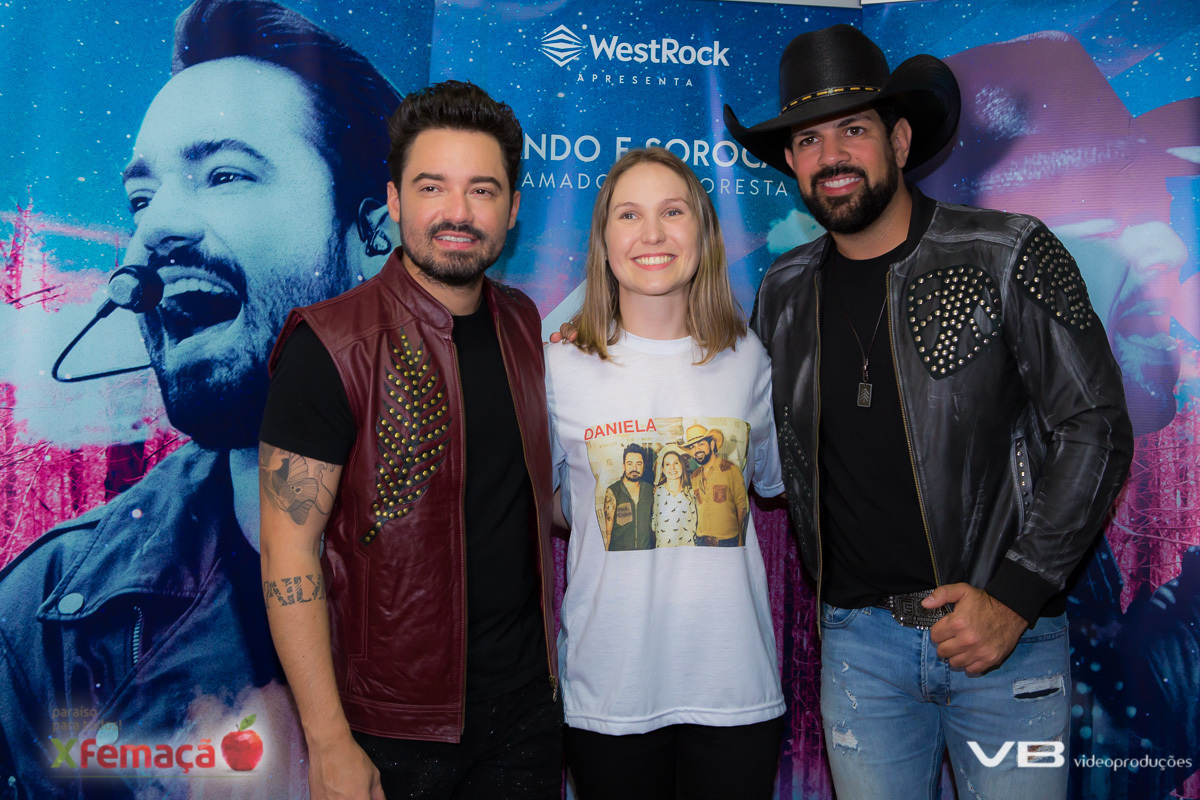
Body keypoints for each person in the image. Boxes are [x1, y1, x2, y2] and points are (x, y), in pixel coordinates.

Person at [0, 1, 400, 796]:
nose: (152, 234)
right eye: (141, 201)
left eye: (223, 175)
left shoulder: (529, 543)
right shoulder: (49, 614)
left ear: (375, 235)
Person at [724, 24, 1133, 799]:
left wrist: (1015, 597)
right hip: (859, 650)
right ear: (789, 163)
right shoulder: (781, 291)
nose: (832, 156)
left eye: (854, 129)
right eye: (809, 139)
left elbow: (1097, 427)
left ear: (901, 140)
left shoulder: (1007, 251)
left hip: (1005, 643)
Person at [258, 80, 561, 800]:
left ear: (512, 211)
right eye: (433, 187)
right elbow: (288, 551)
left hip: (526, 716)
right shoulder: (330, 343)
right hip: (390, 731)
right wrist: (329, 740)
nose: (458, 212)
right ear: (394, 201)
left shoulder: (527, 326)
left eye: (483, 191)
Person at [546, 147, 786, 800]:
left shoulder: (748, 357)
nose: (651, 234)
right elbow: (552, 503)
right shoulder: (556, 365)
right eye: (629, 214)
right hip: (611, 693)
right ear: (603, 238)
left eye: (672, 212)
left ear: (702, 232)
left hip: (734, 690)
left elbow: (768, 483)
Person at [681, 423, 748, 547]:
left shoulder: (731, 470)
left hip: (728, 542)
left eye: (701, 444)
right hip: (700, 542)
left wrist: (740, 540)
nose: (697, 450)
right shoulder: (694, 476)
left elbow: (742, 507)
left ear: (711, 445)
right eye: (693, 446)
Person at [603, 444, 655, 550]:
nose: (634, 468)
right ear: (623, 466)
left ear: (644, 466)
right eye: (630, 464)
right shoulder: (613, 490)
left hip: (645, 552)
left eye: (639, 464)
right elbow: (607, 530)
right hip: (619, 554)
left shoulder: (650, 490)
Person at [651, 445, 697, 548]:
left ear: (682, 466)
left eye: (676, 463)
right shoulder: (659, 492)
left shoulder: (690, 491)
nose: (672, 468)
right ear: (663, 469)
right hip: (664, 549)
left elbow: (695, 521)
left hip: (687, 549)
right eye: (667, 464)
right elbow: (654, 523)